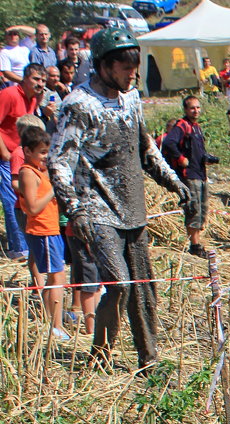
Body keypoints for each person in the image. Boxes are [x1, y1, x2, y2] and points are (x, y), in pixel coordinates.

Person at [49, 28, 190, 370]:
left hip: (133, 205)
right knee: (121, 283)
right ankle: (100, 354)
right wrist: (74, 209)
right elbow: (58, 161)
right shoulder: (79, 105)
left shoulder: (132, 97)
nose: (132, 73)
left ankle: (149, 359)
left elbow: (145, 146)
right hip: (96, 208)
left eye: (134, 65)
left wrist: (173, 181)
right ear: (102, 65)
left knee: (144, 289)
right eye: (125, 67)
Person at [17, 126, 67, 340]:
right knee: (56, 277)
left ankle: (55, 321)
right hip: (42, 230)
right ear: (27, 152)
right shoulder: (28, 173)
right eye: (42, 153)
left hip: (51, 228)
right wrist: (53, 191)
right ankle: (55, 326)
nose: (46, 157)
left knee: (59, 276)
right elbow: (33, 207)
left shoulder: (39, 171)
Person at [161, 95, 217, 257]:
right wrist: (180, 158)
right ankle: (195, 245)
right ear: (186, 109)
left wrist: (206, 158)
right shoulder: (182, 125)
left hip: (200, 173)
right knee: (193, 210)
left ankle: (198, 242)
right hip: (189, 174)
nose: (196, 111)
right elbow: (169, 143)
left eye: (198, 107)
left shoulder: (196, 127)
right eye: (192, 108)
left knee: (202, 209)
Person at [0, 63, 45, 261]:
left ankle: (23, 243)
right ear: (25, 79)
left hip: (20, 154)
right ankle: (19, 249)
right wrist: (5, 154)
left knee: (21, 199)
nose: (40, 83)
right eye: (36, 79)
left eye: (43, 80)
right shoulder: (9, 94)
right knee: (11, 199)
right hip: (7, 155)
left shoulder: (33, 99)